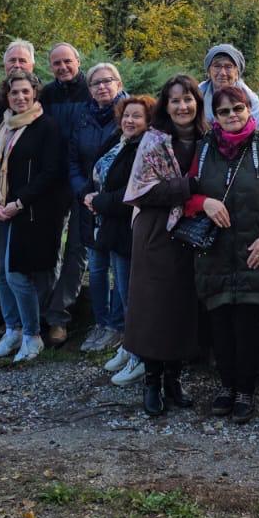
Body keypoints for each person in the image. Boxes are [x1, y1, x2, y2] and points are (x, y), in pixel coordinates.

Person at [189, 86, 259, 423]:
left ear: (249, 109)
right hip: (215, 250)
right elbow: (188, 194)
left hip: (254, 250)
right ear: (214, 117)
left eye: (238, 108)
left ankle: (246, 389)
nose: (232, 116)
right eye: (224, 111)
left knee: (247, 323)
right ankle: (226, 387)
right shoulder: (204, 150)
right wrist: (203, 202)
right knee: (220, 323)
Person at [122, 74, 207, 416]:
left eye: (188, 99)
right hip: (156, 230)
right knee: (154, 308)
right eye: (175, 101)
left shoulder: (208, 138)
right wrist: (189, 187)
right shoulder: (153, 141)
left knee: (183, 308)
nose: (182, 106)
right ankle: (152, 381)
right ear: (165, 105)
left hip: (194, 231)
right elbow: (140, 191)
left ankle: (174, 378)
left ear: (198, 103)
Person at [0, 70, 69, 363]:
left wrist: (19, 203)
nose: (19, 97)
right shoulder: (1, 127)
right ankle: (13, 329)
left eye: (24, 92)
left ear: (34, 93)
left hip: (30, 212)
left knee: (18, 275)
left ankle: (33, 335)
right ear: (6, 96)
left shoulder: (47, 126)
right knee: (1, 276)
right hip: (0, 211)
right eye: (13, 92)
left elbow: (50, 172)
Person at [86, 94, 155, 386]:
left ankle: (141, 356)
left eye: (137, 116)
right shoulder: (123, 143)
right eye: (127, 115)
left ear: (149, 121)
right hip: (115, 230)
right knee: (123, 293)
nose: (130, 121)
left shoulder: (145, 148)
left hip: (131, 230)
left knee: (133, 297)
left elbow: (133, 192)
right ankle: (129, 346)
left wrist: (98, 200)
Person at [72, 62, 127, 352]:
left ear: (119, 83)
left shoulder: (129, 114)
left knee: (118, 268)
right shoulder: (83, 116)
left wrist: (105, 198)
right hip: (88, 203)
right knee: (95, 267)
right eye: (96, 83)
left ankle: (117, 326)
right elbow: (72, 158)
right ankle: (101, 322)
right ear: (89, 89)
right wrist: (85, 193)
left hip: (117, 206)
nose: (102, 87)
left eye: (108, 81)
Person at [40, 42, 90, 346]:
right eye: (56, 63)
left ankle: (59, 316)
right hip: (53, 181)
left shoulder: (92, 90)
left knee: (77, 249)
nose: (62, 67)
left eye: (67, 62)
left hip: (83, 181)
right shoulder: (46, 95)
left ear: (78, 61)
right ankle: (42, 309)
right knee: (49, 247)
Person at [199, 44, 259, 123]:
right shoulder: (196, 95)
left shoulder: (252, 101)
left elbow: (255, 131)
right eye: (217, 66)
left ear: (237, 73)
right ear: (209, 71)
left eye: (228, 66)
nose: (222, 73)